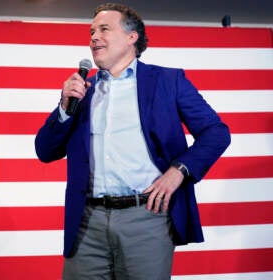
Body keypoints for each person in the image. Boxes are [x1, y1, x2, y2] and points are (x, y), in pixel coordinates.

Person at [35, 3, 231, 279]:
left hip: (147, 219)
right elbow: (45, 151)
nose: (93, 37)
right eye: (91, 31)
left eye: (104, 29)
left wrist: (179, 170)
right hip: (87, 222)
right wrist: (65, 108)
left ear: (131, 37)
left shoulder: (168, 80)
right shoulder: (83, 91)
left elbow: (216, 132)